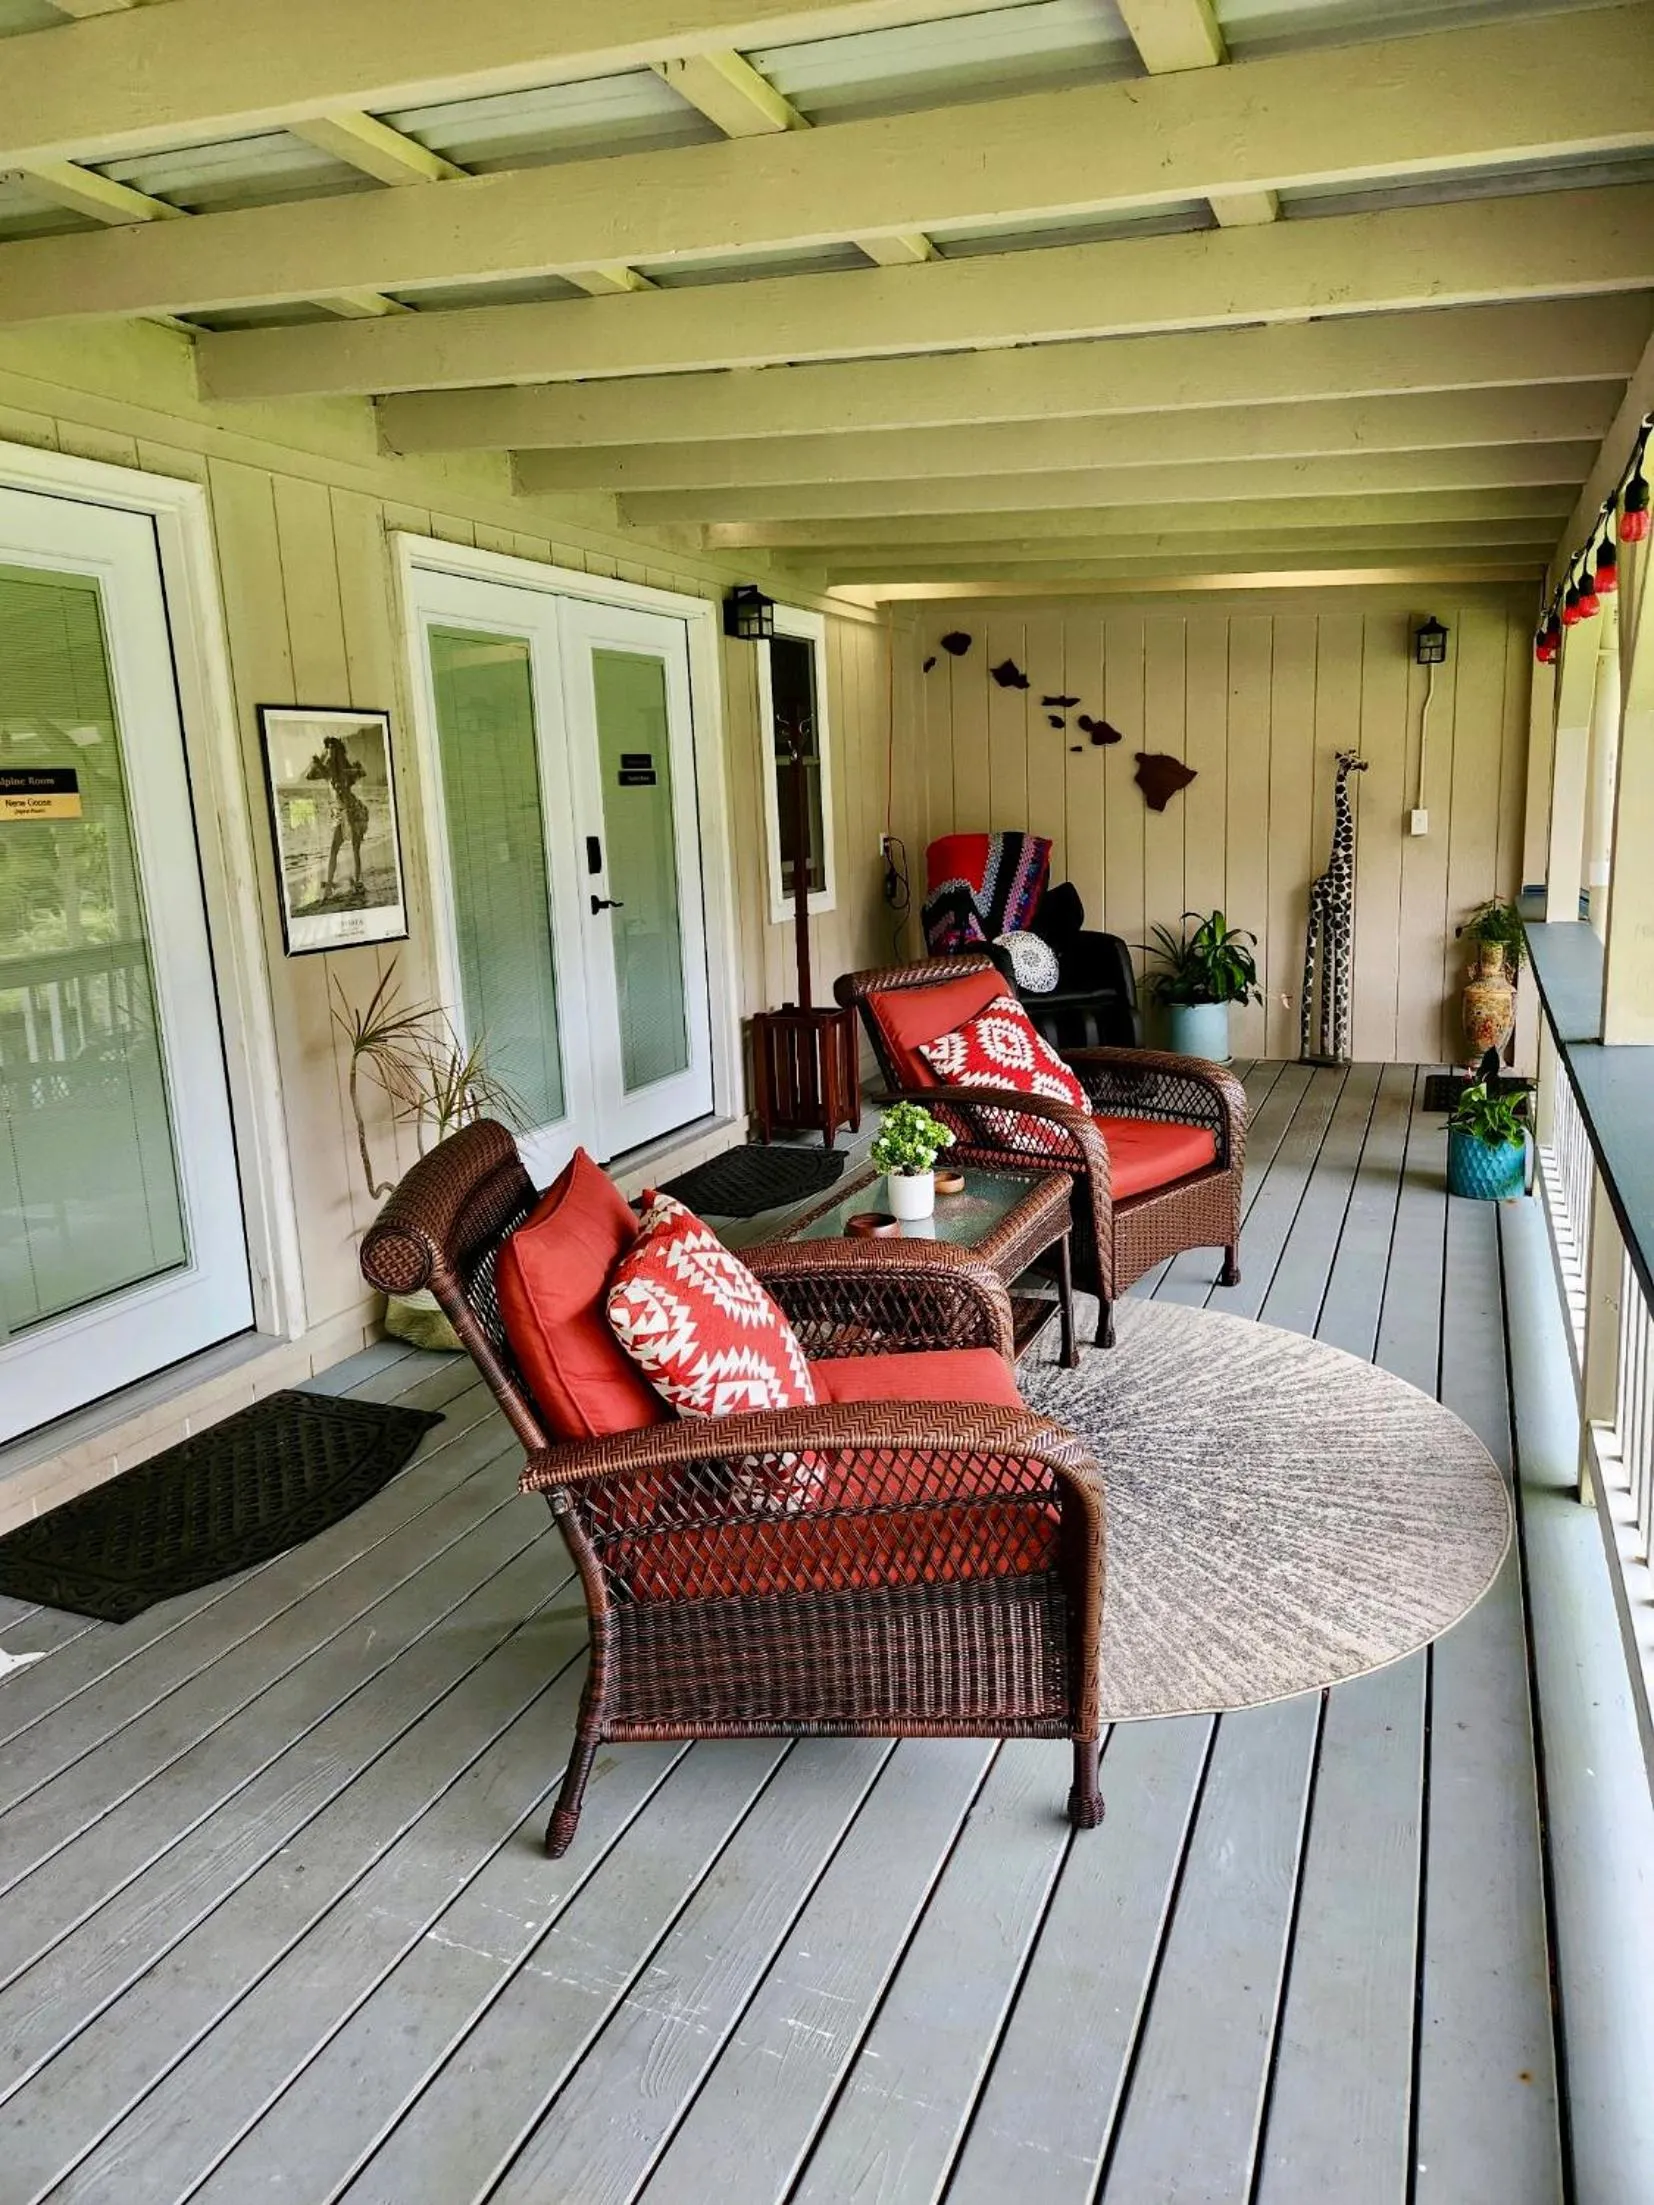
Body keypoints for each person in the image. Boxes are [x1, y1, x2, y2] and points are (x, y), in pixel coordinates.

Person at [305, 734, 369, 902]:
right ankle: (330, 887)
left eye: (333, 749)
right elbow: (309, 776)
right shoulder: (327, 771)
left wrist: (353, 770)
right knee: (334, 849)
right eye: (328, 749)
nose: (330, 752)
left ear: (339, 751)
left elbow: (362, 772)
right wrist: (320, 758)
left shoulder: (342, 771)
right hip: (339, 814)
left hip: (352, 811)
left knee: (355, 848)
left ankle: (358, 881)